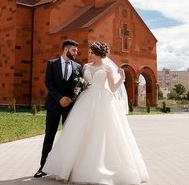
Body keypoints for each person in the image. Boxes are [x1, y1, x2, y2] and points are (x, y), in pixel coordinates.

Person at [43, 41, 149, 184]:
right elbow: (79, 83)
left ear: (98, 54)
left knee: (100, 134)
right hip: (85, 100)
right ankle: (66, 167)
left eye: (92, 53)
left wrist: (122, 78)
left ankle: (98, 169)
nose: (89, 55)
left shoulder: (107, 68)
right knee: (78, 132)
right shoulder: (85, 66)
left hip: (103, 100)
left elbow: (112, 88)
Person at [34, 39, 82, 178]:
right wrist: (60, 98)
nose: (76, 53)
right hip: (54, 105)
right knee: (49, 136)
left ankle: (65, 168)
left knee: (69, 137)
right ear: (66, 50)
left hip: (70, 107)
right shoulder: (52, 63)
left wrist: (72, 98)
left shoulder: (78, 66)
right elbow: (48, 83)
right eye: (74, 50)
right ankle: (43, 167)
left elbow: (79, 86)